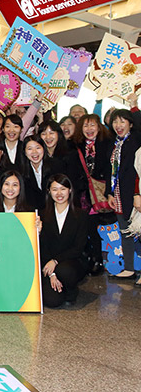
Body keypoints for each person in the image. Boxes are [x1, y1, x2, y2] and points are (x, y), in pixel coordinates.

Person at [72, 113, 112, 275]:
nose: (89, 129)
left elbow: (110, 169)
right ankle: (91, 258)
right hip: (83, 195)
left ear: (99, 127)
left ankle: (99, 260)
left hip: (100, 191)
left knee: (97, 227)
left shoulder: (107, 144)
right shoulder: (76, 145)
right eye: (85, 126)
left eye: (92, 125)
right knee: (87, 228)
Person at [40, 174, 88, 308]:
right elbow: (42, 246)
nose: (59, 193)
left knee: (65, 270)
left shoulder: (81, 215)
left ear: (70, 190)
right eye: (55, 189)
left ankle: (71, 290)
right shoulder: (42, 215)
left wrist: (55, 261)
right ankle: (59, 285)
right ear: (49, 192)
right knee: (52, 301)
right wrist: (52, 274)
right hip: (48, 265)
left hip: (72, 262)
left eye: (63, 189)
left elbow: (78, 248)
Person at [106, 109, 141, 279]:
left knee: (139, 232)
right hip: (118, 194)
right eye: (115, 121)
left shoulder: (135, 141)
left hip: (134, 194)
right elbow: (111, 170)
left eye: (122, 121)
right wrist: (110, 193)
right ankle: (129, 268)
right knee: (125, 231)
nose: (118, 125)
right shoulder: (115, 144)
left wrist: (134, 106)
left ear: (131, 124)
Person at [22, 135, 64, 211]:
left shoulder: (56, 166)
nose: (34, 152)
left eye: (38, 148)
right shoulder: (22, 171)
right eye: (30, 149)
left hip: (55, 210)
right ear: (25, 152)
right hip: (33, 213)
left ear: (43, 149)